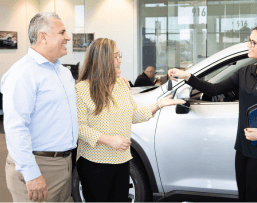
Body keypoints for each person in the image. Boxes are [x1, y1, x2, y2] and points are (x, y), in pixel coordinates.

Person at [168, 24, 257, 202]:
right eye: (249, 41)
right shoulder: (245, 72)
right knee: (243, 198)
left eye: (254, 42)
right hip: (242, 150)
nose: (248, 45)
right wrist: (187, 76)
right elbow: (214, 89)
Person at [75, 38, 185, 202]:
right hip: (94, 163)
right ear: (102, 60)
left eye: (120, 55)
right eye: (116, 56)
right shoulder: (82, 89)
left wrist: (158, 105)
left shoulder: (121, 85)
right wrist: (109, 140)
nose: (120, 60)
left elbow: (133, 115)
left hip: (122, 160)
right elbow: (79, 127)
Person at [1, 12, 78, 202]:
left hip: (64, 164)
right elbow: (15, 127)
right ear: (42, 37)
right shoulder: (22, 74)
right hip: (38, 165)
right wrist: (31, 173)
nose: (68, 37)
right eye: (62, 32)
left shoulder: (63, 73)